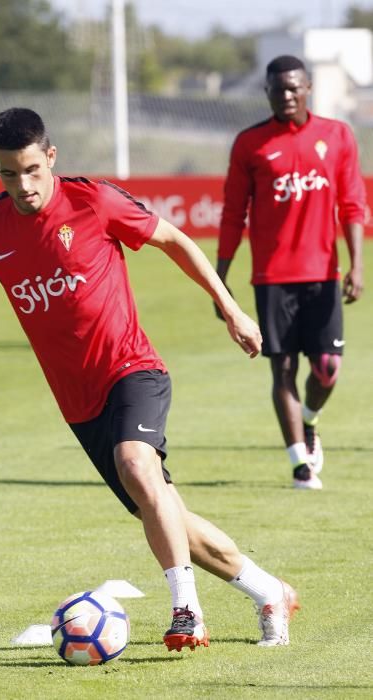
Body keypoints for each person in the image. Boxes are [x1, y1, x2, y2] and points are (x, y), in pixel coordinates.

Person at [0, 107, 299, 651]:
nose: (23, 185)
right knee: (167, 512)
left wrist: (231, 309)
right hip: (78, 403)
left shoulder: (92, 200)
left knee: (136, 464)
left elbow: (175, 240)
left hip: (132, 368)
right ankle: (269, 590)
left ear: (51, 158)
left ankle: (186, 612)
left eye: (32, 170)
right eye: (8, 174)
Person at [216, 55, 365, 491]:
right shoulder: (250, 144)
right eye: (277, 89)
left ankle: (310, 419)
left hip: (322, 274)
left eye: (294, 88)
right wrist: (221, 279)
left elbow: (353, 203)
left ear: (308, 89)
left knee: (327, 368)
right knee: (281, 367)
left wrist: (356, 264)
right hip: (272, 277)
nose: (286, 95)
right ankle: (300, 463)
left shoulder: (336, 136)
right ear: (267, 92)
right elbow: (232, 215)